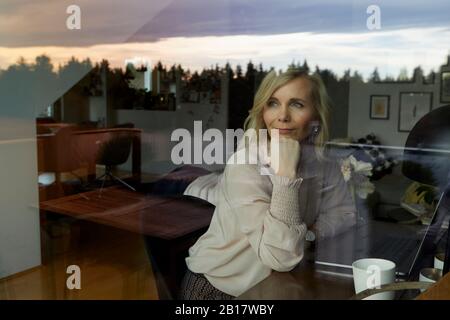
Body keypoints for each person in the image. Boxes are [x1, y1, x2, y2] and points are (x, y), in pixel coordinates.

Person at [178, 67, 356, 300]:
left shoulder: (322, 161)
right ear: (262, 110)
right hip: (219, 289)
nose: (282, 116)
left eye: (297, 104)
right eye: (273, 103)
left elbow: (345, 212)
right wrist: (285, 176)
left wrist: (309, 235)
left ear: (316, 114)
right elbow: (280, 258)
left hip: (275, 286)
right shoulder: (245, 164)